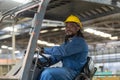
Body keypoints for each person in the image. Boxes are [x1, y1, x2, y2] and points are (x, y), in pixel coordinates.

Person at [38, 15, 88, 80]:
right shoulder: (67, 43)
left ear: (78, 28)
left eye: (71, 26)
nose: (68, 28)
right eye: (67, 26)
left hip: (74, 72)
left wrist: (43, 50)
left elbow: (62, 51)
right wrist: (39, 61)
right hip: (66, 70)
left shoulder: (79, 42)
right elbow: (56, 57)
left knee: (48, 73)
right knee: (40, 71)